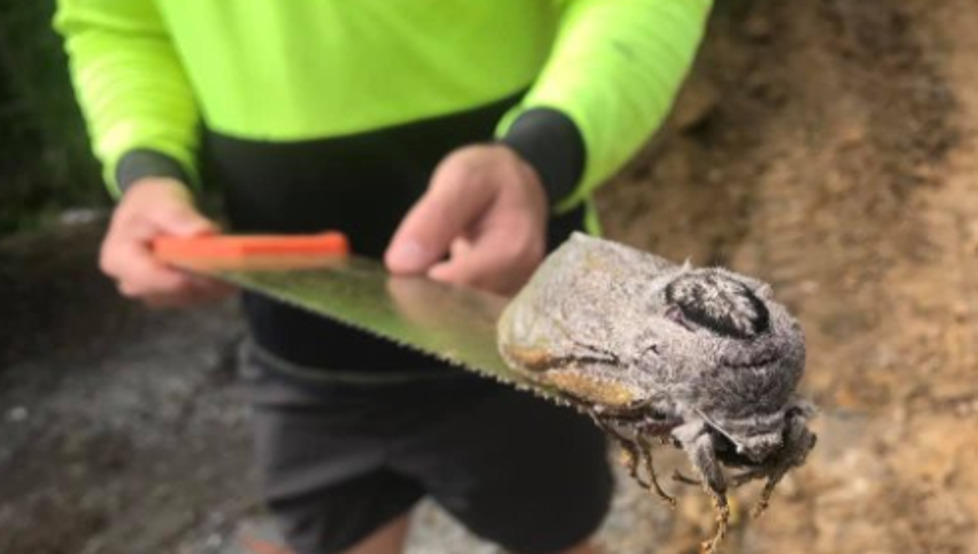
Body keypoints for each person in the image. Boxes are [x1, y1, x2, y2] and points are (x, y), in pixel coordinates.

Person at [54, 2, 712, 553]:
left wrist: (542, 155)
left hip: (516, 330)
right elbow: (116, 23)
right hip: (297, 346)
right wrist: (146, 170)